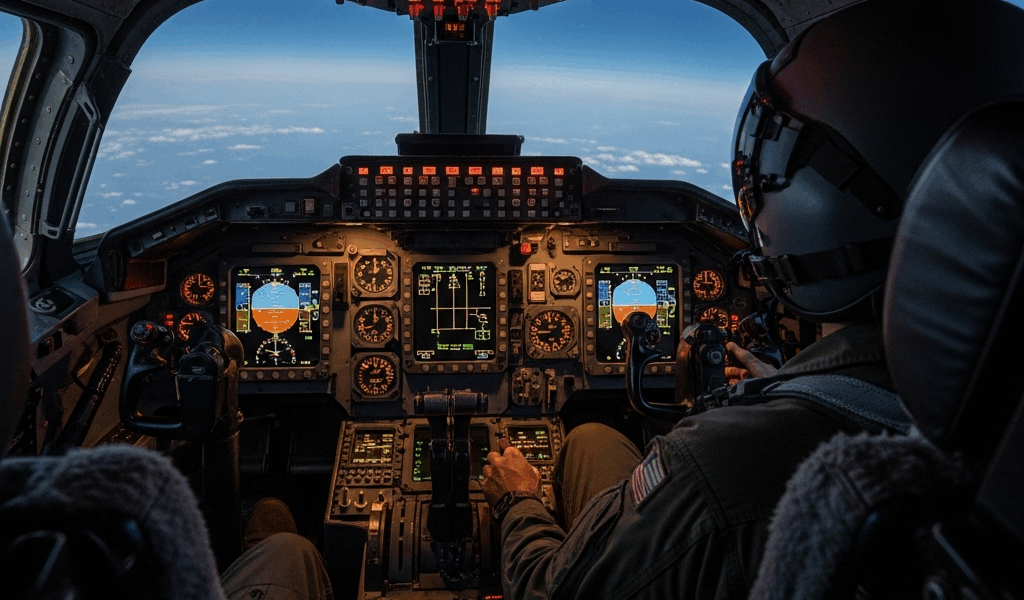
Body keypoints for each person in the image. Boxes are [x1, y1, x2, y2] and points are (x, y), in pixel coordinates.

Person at [481, 1, 1024, 598]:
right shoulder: (1001, 430)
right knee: (591, 438)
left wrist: (518, 503)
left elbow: (554, 592)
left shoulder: (719, 470)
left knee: (584, 439)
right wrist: (784, 388)